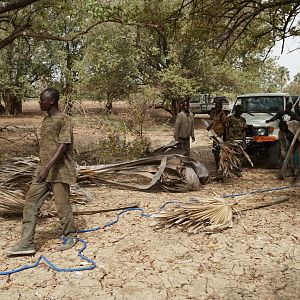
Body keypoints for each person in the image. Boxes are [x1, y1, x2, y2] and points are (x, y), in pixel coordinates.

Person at [7, 88, 78, 256]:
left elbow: (63, 145)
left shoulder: (64, 119)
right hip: (42, 171)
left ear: (51, 101)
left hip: (59, 171)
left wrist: (48, 168)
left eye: (42, 100)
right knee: (30, 203)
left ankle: (70, 235)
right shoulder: (46, 120)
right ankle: (26, 243)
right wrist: (43, 167)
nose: (39, 103)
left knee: (62, 206)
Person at [266, 102, 300, 173]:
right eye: (287, 107)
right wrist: (269, 120)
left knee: (289, 150)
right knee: (282, 150)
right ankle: (283, 165)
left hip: (289, 133)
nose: (288, 108)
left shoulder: (293, 115)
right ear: (285, 107)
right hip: (281, 132)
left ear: (291, 108)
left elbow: (297, 119)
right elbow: (275, 117)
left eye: (289, 107)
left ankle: (291, 167)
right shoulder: (281, 113)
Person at [225, 105, 247, 177]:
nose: (241, 113)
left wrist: (244, 139)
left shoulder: (243, 120)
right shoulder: (229, 119)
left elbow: (244, 130)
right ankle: (231, 169)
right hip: (232, 140)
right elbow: (226, 129)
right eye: (240, 111)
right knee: (231, 155)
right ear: (236, 111)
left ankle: (238, 169)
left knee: (239, 155)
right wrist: (227, 139)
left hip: (240, 140)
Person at [206, 102, 227, 169]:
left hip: (220, 135)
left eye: (218, 107)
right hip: (215, 134)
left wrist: (221, 134)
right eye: (216, 107)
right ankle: (217, 164)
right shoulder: (216, 113)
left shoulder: (222, 114)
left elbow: (225, 126)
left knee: (219, 150)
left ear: (221, 107)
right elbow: (214, 121)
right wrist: (210, 126)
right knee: (215, 150)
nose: (216, 108)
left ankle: (220, 165)